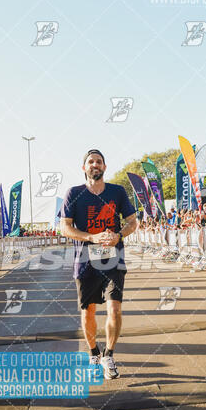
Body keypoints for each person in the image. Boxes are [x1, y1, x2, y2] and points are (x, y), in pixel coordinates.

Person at [60, 149, 137, 379]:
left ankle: (109, 355)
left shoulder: (117, 192)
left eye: (99, 161)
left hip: (113, 259)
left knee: (115, 308)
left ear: (105, 167)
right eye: (91, 162)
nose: (95, 164)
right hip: (85, 261)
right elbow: (65, 227)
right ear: (84, 167)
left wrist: (119, 235)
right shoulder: (73, 193)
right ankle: (93, 352)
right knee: (88, 311)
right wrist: (91, 237)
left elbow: (132, 222)